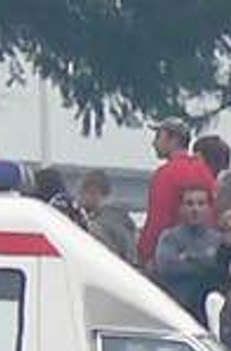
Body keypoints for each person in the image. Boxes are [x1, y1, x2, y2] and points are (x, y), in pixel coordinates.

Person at [138, 119, 217, 269]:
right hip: (203, 257)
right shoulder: (205, 171)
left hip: (169, 257)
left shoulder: (166, 174)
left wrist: (145, 254)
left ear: (173, 140)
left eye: (158, 137)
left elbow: (158, 219)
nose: (154, 144)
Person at [153, 186, 219, 316]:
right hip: (176, 308)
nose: (195, 209)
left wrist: (187, 257)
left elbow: (218, 269)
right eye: (189, 204)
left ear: (209, 208)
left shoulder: (218, 239)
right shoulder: (169, 237)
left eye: (201, 204)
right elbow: (166, 267)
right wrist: (205, 259)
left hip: (207, 310)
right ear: (180, 208)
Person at [78, 170, 137, 264]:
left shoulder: (97, 226)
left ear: (93, 192)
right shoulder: (124, 220)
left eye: (82, 193)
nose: (80, 199)